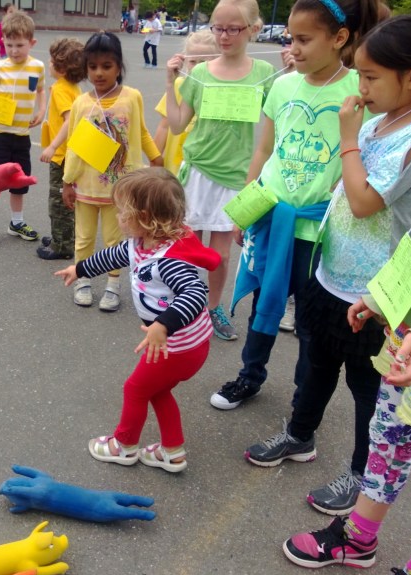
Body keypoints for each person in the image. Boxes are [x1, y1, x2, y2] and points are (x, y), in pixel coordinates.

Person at [282, 14, 411, 575]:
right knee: (387, 440)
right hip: (408, 327)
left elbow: (373, 205)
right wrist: (387, 293)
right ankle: (358, 538)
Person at [244, 15, 411, 519]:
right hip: (330, 272)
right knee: (315, 363)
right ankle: (299, 434)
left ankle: (363, 475)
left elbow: (362, 202)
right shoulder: (381, 120)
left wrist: (350, 136)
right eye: (359, 75)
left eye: (372, 77)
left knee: (366, 389)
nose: (362, 87)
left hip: (374, 291)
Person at [209, 0, 380, 410]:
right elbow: (264, 151)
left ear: (339, 39)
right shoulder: (284, 85)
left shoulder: (359, 90)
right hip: (271, 220)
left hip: (320, 229)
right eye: (291, 38)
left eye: (304, 39)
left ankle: (305, 400)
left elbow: (360, 159)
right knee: (262, 305)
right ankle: (249, 376)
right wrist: (245, 212)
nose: (294, 48)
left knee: (310, 320)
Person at [55, 168, 221, 473]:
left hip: (176, 346)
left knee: (134, 389)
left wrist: (163, 325)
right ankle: (172, 452)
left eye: (122, 211)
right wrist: (79, 270)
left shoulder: (169, 259)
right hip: (181, 344)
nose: (118, 215)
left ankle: (124, 445)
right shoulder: (140, 243)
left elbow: (196, 292)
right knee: (156, 391)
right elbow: (112, 257)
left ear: (143, 216)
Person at [165, 0, 276, 341]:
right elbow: (177, 124)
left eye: (233, 29)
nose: (224, 36)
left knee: (221, 254)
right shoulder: (199, 73)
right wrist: (170, 83)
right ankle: (186, 304)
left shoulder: (264, 74)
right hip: (197, 171)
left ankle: (214, 307)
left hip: (236, 175)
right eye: (218, 28)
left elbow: (279, 122)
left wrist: (297, 76)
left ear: (253, 30)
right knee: (189, 245)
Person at [61, 32, 163, 311]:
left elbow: (140, 131)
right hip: (85, 187)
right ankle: (82, 281)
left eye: (106, 66)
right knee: (83, 238)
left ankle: (113, 285)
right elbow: (74, 147)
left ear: (119, 66)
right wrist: (67, 182)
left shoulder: (132, 97)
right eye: (92, 66)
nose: (98, 73)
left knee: (115, 239)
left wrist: (155, 157)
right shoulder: (81, 103)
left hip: (121, 188)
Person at [0, 11, 45, 249]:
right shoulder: (0, 67)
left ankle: (16, 223)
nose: (14, 50)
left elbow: (41, 90)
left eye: (20, 45)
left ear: (32, 43)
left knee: (19, 182)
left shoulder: (38, 66)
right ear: (3, 41)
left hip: (22, 136)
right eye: (9, 44)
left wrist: (42, 111)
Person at [37, 38, 86, 261]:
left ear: (62, 67)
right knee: (67, 201)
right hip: (74, 153)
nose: (48, 63)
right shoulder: (73, 88)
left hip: (63, 155)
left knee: (58, 202)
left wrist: (53, 145)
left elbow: (69, 121)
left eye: (52, 60)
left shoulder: (60, 89)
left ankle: (62, 246)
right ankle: (64, 238)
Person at [153, 30, 218, 175]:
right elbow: (164, 127)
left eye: (203, 62)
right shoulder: (178, 85)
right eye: (192, 61)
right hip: (173, 170)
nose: (197, 67)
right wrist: (154, 161)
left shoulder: (220, 93)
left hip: (203, 173)